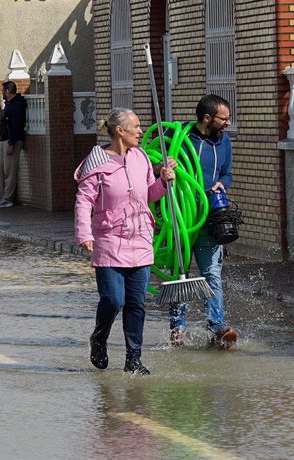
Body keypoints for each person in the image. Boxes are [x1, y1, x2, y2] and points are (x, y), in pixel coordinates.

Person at [75, 108, 176, 375]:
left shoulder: (141, 158)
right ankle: (99, 337)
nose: (141, 131)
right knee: (113, 300)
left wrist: (164, 183)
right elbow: (84, 202)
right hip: (108, 239)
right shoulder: (96, 163)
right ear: (120, 131)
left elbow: (148, 195)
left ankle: (134, 358)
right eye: (137, 126)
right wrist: (85, 234)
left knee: (136, 303)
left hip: (140, 239)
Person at [169, 95, 236, 348]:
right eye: (224, 118)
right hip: (183, 219)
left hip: (210, 219)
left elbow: (227, 173)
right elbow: (153, 160)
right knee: (181, 276)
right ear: (207, 118)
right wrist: (162, 165)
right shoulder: (182, 138)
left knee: (212, 274)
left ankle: (217, 328)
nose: (228, 123)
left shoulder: (225, 141)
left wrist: (223, 183)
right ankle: (178, 330)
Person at [0, 80, 27, 208]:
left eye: (2, 91)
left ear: (7, 91)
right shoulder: (9, 104)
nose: (1, 93)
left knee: (10, 170)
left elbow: (16, 125)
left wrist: (12, 142)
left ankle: (8, 198)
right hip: (4, 141)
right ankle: (0, 196)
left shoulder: (17, 105)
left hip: (12, 141)